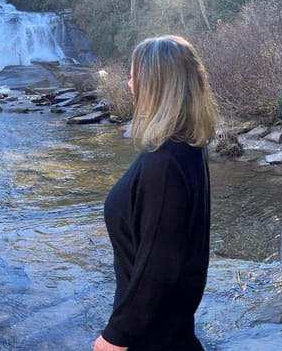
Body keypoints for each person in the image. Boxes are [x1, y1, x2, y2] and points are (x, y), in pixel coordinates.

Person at [93, 35, 217, 351]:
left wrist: (116, 337)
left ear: (157, 85)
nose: (130, 84)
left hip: (152, 339)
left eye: (136, 76)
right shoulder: (186, 147)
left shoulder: (166, 163)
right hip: (170, 331)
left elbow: (159, 265)